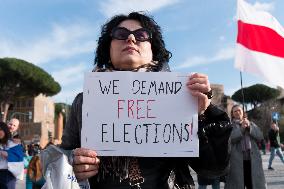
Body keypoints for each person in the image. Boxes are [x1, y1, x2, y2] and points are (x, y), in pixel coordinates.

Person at [61, 12, 232, 189]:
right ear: (108, 48)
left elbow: (214, 169)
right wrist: (73, 163)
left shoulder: (183, 95)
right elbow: (64, 153)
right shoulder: (85, 100)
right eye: (120, 34)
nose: (131, 39)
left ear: (153, 49)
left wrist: (205, 114)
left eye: (141, 35)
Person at [225, 105, 266, 189]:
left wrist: (250, 127)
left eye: (239, 110)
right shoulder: (229, 126)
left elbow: (260, 136)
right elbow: (229, 139)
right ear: (232, 114)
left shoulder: (250, 123)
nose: (237, 112)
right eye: (235, 111)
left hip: (253, 160)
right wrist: (241, 129)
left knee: (252, 184)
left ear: (243, 112)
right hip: (236, 161)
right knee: (238, 184)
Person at [0, 122, 24, 189]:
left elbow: (19, 159)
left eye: (1, 129)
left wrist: (8, 154)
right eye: (10, 124)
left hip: (7, 175)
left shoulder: (14, 143)